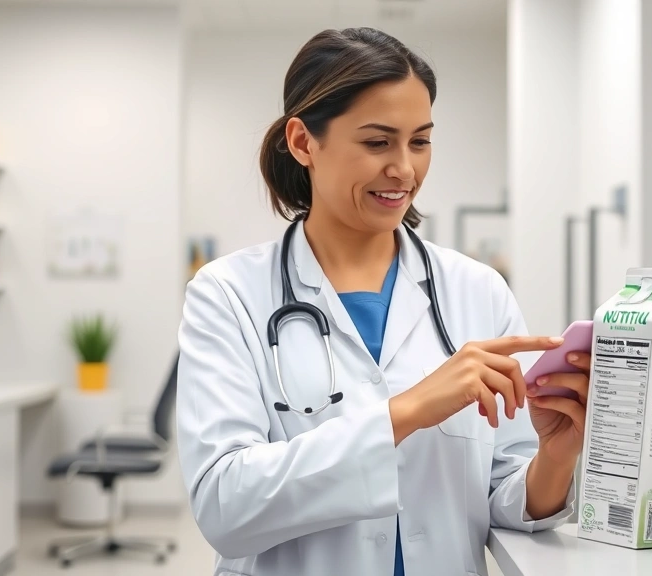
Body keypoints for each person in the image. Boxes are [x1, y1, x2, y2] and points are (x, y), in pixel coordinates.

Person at [176, 27, 592, 576]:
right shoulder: (228, 294)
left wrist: (555, 458)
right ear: (303, 143)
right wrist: (406, 411)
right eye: (377, 142)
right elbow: (225, 507)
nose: (404, 169)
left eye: (420, 141)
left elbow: (503, 497)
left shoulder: (476, 290)